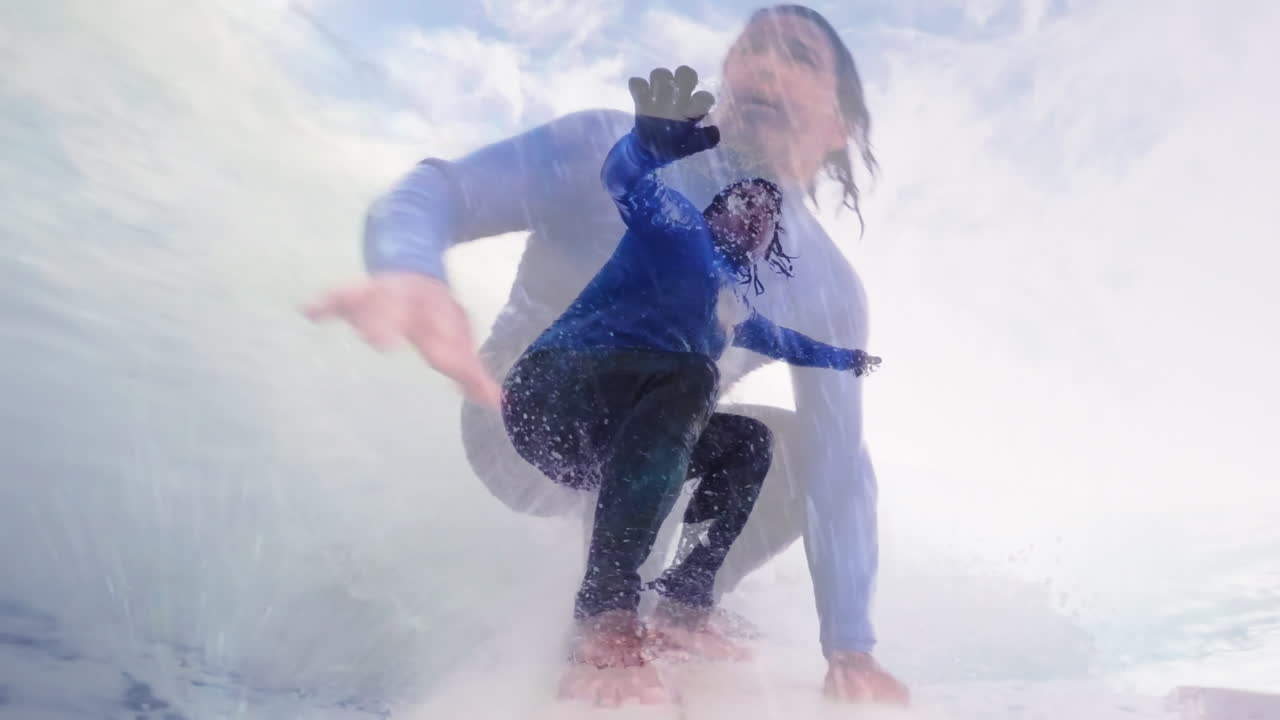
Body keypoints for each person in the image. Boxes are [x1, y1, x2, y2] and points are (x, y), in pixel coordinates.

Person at [306, 3, 909, 706]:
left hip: (651, 432)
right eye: (751, 48)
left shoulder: (827, 285)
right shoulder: (612, 149)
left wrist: (850, 644)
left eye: (799, 56)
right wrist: (411, 268)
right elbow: (442, 189)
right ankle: (605, 624)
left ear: (839, 126)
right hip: (519, 411)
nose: (765, 64)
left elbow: (835, 476)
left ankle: (684, 605)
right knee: (679, 380)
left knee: (798, 443)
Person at [502, 65, 881, 704]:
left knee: (748, 445)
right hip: (551, 398)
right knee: (690, 376)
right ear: (714, 210)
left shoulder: (728, 304)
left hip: (613, 434)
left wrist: (844, 358)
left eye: (765, 216)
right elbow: (625, 182)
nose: (754, 219)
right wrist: (647, 147)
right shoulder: (674, 225)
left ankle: (682, 603)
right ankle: (605, 611)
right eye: (742, 205)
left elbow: (783, 341)